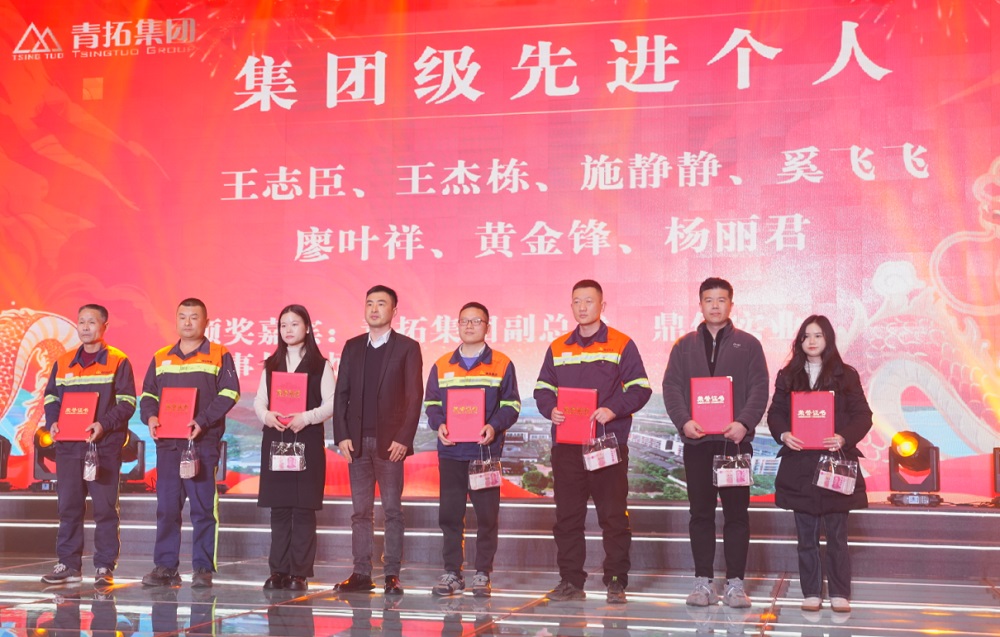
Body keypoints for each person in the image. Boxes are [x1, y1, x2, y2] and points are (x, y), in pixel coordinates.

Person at [533, 280, 652, 604]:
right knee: (567, 518)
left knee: (613, 516)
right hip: (567, 446)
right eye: (577, 301)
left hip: (606, 444)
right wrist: (550, 409)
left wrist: (613, 409)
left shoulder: (621, 344)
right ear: (571, 306)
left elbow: (640, 388)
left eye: (589, 301)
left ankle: (615, 581)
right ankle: (571, 581)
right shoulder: (558, 347)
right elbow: (542, 389)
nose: (582, 307)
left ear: (602, 306)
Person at [662, 277, 769, 609]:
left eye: (721, 300)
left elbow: (760, 388)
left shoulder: (748, 345)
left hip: (733, 444)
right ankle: (703, 583)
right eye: (709, 300)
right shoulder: (683, 346)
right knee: (700, 514)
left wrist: (744, 423)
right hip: (697, 443)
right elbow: (671, 387)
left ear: (731, 305)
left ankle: (735, 584)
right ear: (700, 305)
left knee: (737, 515)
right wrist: (684, 421)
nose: (715, 306)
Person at [766, 315, 873, 614]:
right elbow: (775, 414)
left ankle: (840, 593)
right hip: (800, 464)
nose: (811, 341)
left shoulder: (846, 375)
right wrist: (784, 434)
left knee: (837, 535)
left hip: (834, 463)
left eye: (818, 335)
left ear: (828, 339)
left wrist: (844, 437)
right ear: (799, 341)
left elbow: (863, 415)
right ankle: (811, 592)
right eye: (806, 336)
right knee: (806, 536)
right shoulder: (788, 375)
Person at [139, 298, 240, 588]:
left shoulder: (219, 354)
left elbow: (230, 392)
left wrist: (202, 421)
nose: (187, 322)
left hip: (202, 444)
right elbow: (148, 394)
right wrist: (151, 417)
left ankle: (203, 569)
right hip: (168, 445)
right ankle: (165, 567)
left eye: (194, 317)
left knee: (203, 508)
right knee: (167, 509)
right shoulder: (161, 357)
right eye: (182, 316)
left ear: (206, 322)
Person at [424, 302, 520, 598]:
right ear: (457, 325)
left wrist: (494, 426)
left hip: (484, 454)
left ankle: (482, 573)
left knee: (487, 517)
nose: (469, 325)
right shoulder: (442, 365)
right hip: (451, 452)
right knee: (450, 515)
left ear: (487, 327)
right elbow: (432, 404)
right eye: (464, 321)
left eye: (476, 321)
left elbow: (512, 405)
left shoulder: (502, 363)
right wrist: (439, 424)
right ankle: (452, 572)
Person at [333, 285, 423, 595]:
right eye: (369, 303)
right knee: (360, 512)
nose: (374, 309)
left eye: (381, 304)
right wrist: (342, 435)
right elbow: (341, 394)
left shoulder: (407, 348)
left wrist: (403, 438)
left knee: (392, 511)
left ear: (394, 311)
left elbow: (414, 397)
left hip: (390, 445)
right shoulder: (352, 347)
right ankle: (361, 573)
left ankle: (392, 575)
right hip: (356, 444)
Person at [40, 304, 136, 587]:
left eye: (91, 322)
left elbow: (128, 402)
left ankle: (104, 566)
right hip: (69, 447)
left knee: (105, 509)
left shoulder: (118, 361)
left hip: (103, 447)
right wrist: (53, 421)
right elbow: (51, 397)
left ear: (104, 326)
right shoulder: (63, 361)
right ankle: (68, 565)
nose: (85, 327)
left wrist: (103, 425)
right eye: (81, 321)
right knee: (68, 506)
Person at [254, 304, 334, 591]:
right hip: (276, 439)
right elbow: (259, 402)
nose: (288, 330)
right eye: (283, 325)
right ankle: (278, 571)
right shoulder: (271, 364)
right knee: (279, 510)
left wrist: (307, 417)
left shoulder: (321, 365)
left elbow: (332, 403)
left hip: (307, 440)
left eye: (294, 324)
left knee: (303, 509)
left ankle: (299, 573)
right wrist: (267, 417)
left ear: (308, 328)